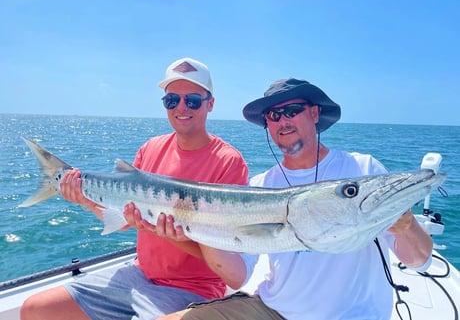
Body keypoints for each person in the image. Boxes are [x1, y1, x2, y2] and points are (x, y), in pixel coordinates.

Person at [159, 78, 433, 320]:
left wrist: (407, 226)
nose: (282, 121)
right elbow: (237, 275)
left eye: (291, 111)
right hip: (271, 310)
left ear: (314, 113)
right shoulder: (260, 186)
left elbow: (419, 261)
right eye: (274, 115)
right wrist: (196, 228)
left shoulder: (362, 170)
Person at [20, 57, 249, 320]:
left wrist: (170, 235)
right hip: (137, 274)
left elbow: (224, 253)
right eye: (172, 99)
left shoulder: (228, 162)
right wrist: (85, 199)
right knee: (35, 309)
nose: (181, 107)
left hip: (192, 289)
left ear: (210, 104)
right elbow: (124, 221)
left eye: (193, 100)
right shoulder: (150, 149)